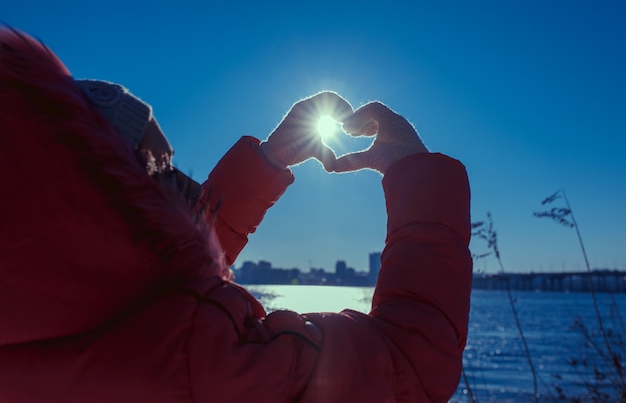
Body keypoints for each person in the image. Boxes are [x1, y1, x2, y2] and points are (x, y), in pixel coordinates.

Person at [0, 27, 472, 403]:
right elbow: (408, 367)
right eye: (160, 172)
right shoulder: (194, 358)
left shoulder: (42, 320)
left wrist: (267, 161)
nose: (178, 187)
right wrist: (416, 176)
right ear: (106, 192)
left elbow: (146, 277)